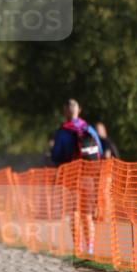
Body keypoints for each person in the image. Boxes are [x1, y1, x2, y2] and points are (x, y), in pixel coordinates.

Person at [51, 99, 104, 255]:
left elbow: (56, 155)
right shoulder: (89, 129)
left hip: (71, 175)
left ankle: (78, 246)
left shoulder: (62, 132)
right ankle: (91, 247)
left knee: (73, 211)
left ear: (65, 111)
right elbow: (99, 150)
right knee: (87, 212)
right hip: (88, 174)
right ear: (78, 110)